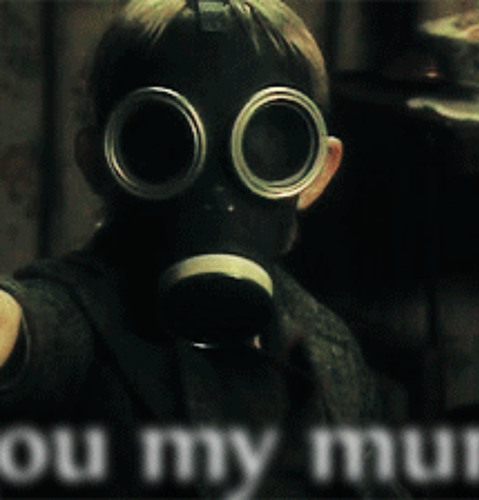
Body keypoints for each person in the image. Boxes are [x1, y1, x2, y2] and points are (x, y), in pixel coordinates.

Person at [0, 0, 394, 497]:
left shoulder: (327, 350)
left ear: (316, 170)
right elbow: (29, 326)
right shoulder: (80, 315)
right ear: (99, 162)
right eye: (165, 144)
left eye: (266, 146)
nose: (217, 195)